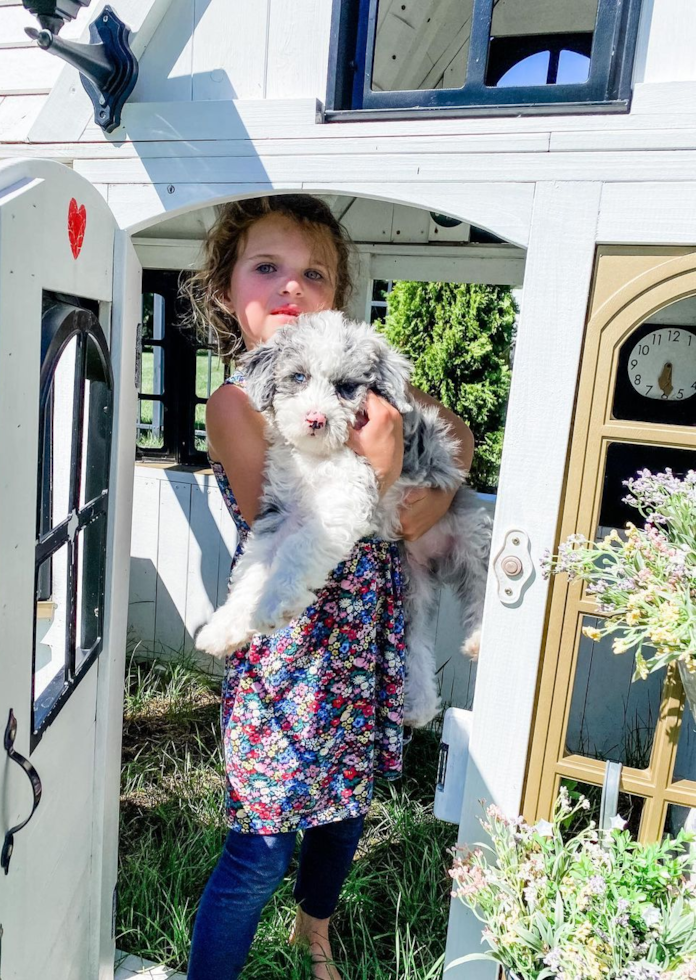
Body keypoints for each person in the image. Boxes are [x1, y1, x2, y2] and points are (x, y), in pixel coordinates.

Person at [184, 195, 474, 980]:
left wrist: (434, 495)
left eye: (313, 273)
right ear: (224, 290)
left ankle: (315, 933)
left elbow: (458, 435)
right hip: (288, 652)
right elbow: (281, 514)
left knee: (343, 816)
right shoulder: (237, 403)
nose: (290, 289)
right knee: (260, 845)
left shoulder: (361, 382)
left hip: (365, 642)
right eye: (266, 268)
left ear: (337, 296)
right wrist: (384, 474)